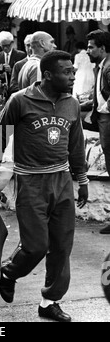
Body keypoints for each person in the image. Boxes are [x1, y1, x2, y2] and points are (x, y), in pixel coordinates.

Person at [0, 50, 89, 322]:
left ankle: (49, 301)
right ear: (48, 75)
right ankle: (10, 271)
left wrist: (82, 179)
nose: (72, 76)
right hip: (30, 182)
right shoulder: (20, 100)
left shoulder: (72, 103)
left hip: (62, 181)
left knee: (62, 246)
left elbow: (76, 145)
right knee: (36, 245)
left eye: (73, 72)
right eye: (67, 72)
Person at [86, 30, 110, 235]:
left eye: (91, 47)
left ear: (102, 48)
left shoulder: (108, 67)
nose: (87, 50)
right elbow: (100, 96)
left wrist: (105, 109)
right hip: (103, 120)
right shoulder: (101, 66)